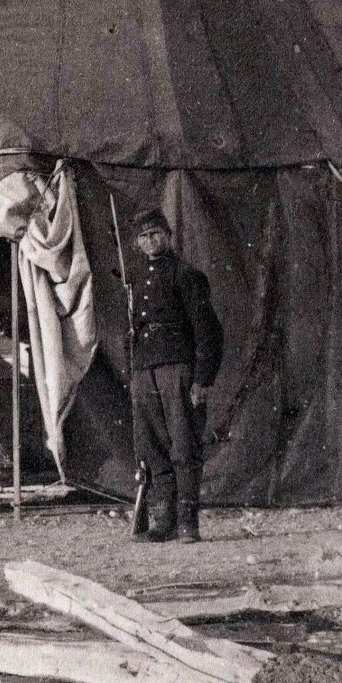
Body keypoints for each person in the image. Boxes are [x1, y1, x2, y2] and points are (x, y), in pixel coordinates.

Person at [126, 209, 223, 544]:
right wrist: (136, 372)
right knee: (152, 447)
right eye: (143, 236)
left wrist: (202, 379)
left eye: (155, 233)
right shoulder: (136, 278)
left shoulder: (186, 275)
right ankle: (163, 522)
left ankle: (187, 523)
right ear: (137, 243)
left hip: (177, 368)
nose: (150, 241)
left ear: (167, 235)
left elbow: (208, 331)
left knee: (183, 445)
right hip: (145, 369)